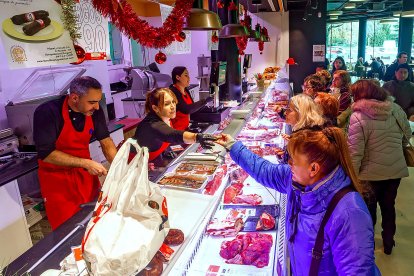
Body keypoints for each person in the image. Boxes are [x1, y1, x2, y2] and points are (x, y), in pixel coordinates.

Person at [215, 127, 379, 275]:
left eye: (293, 160)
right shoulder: (298, 181)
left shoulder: (350, 213)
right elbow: (266, 171)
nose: (289, 163)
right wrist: (234, 146)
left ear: (313, 168)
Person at [33, 76, 117, 230]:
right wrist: (85, 163)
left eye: (98, 101)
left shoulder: (94, 111)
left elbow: (106, 141)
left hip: (86, 175)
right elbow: (46, 153)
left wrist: (121, 167)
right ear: (74, 97)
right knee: (67, 228)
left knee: (95, 220)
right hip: (57, 181)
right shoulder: (48, 112)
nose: (97, 107)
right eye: (92, 102)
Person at [347, 80, 411, 255]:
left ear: (361, 95)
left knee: (369, 209)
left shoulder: (358, 116)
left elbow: (355, 152)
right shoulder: (396, 109)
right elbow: (407, 136)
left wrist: (351, 176)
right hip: (395, 171)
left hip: (370, 174)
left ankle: (369, 244)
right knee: (389, 206)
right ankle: (389, 243)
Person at [133, 88, 216, 162]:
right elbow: (172, 134)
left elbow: (163, 138)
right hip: (132, 164)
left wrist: (166, 150)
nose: (173, 106)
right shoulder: (152, 125)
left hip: (147, 161)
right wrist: (197, 137)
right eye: (167, 104)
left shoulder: (166, 117)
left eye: (173, 102)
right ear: (155, 108)